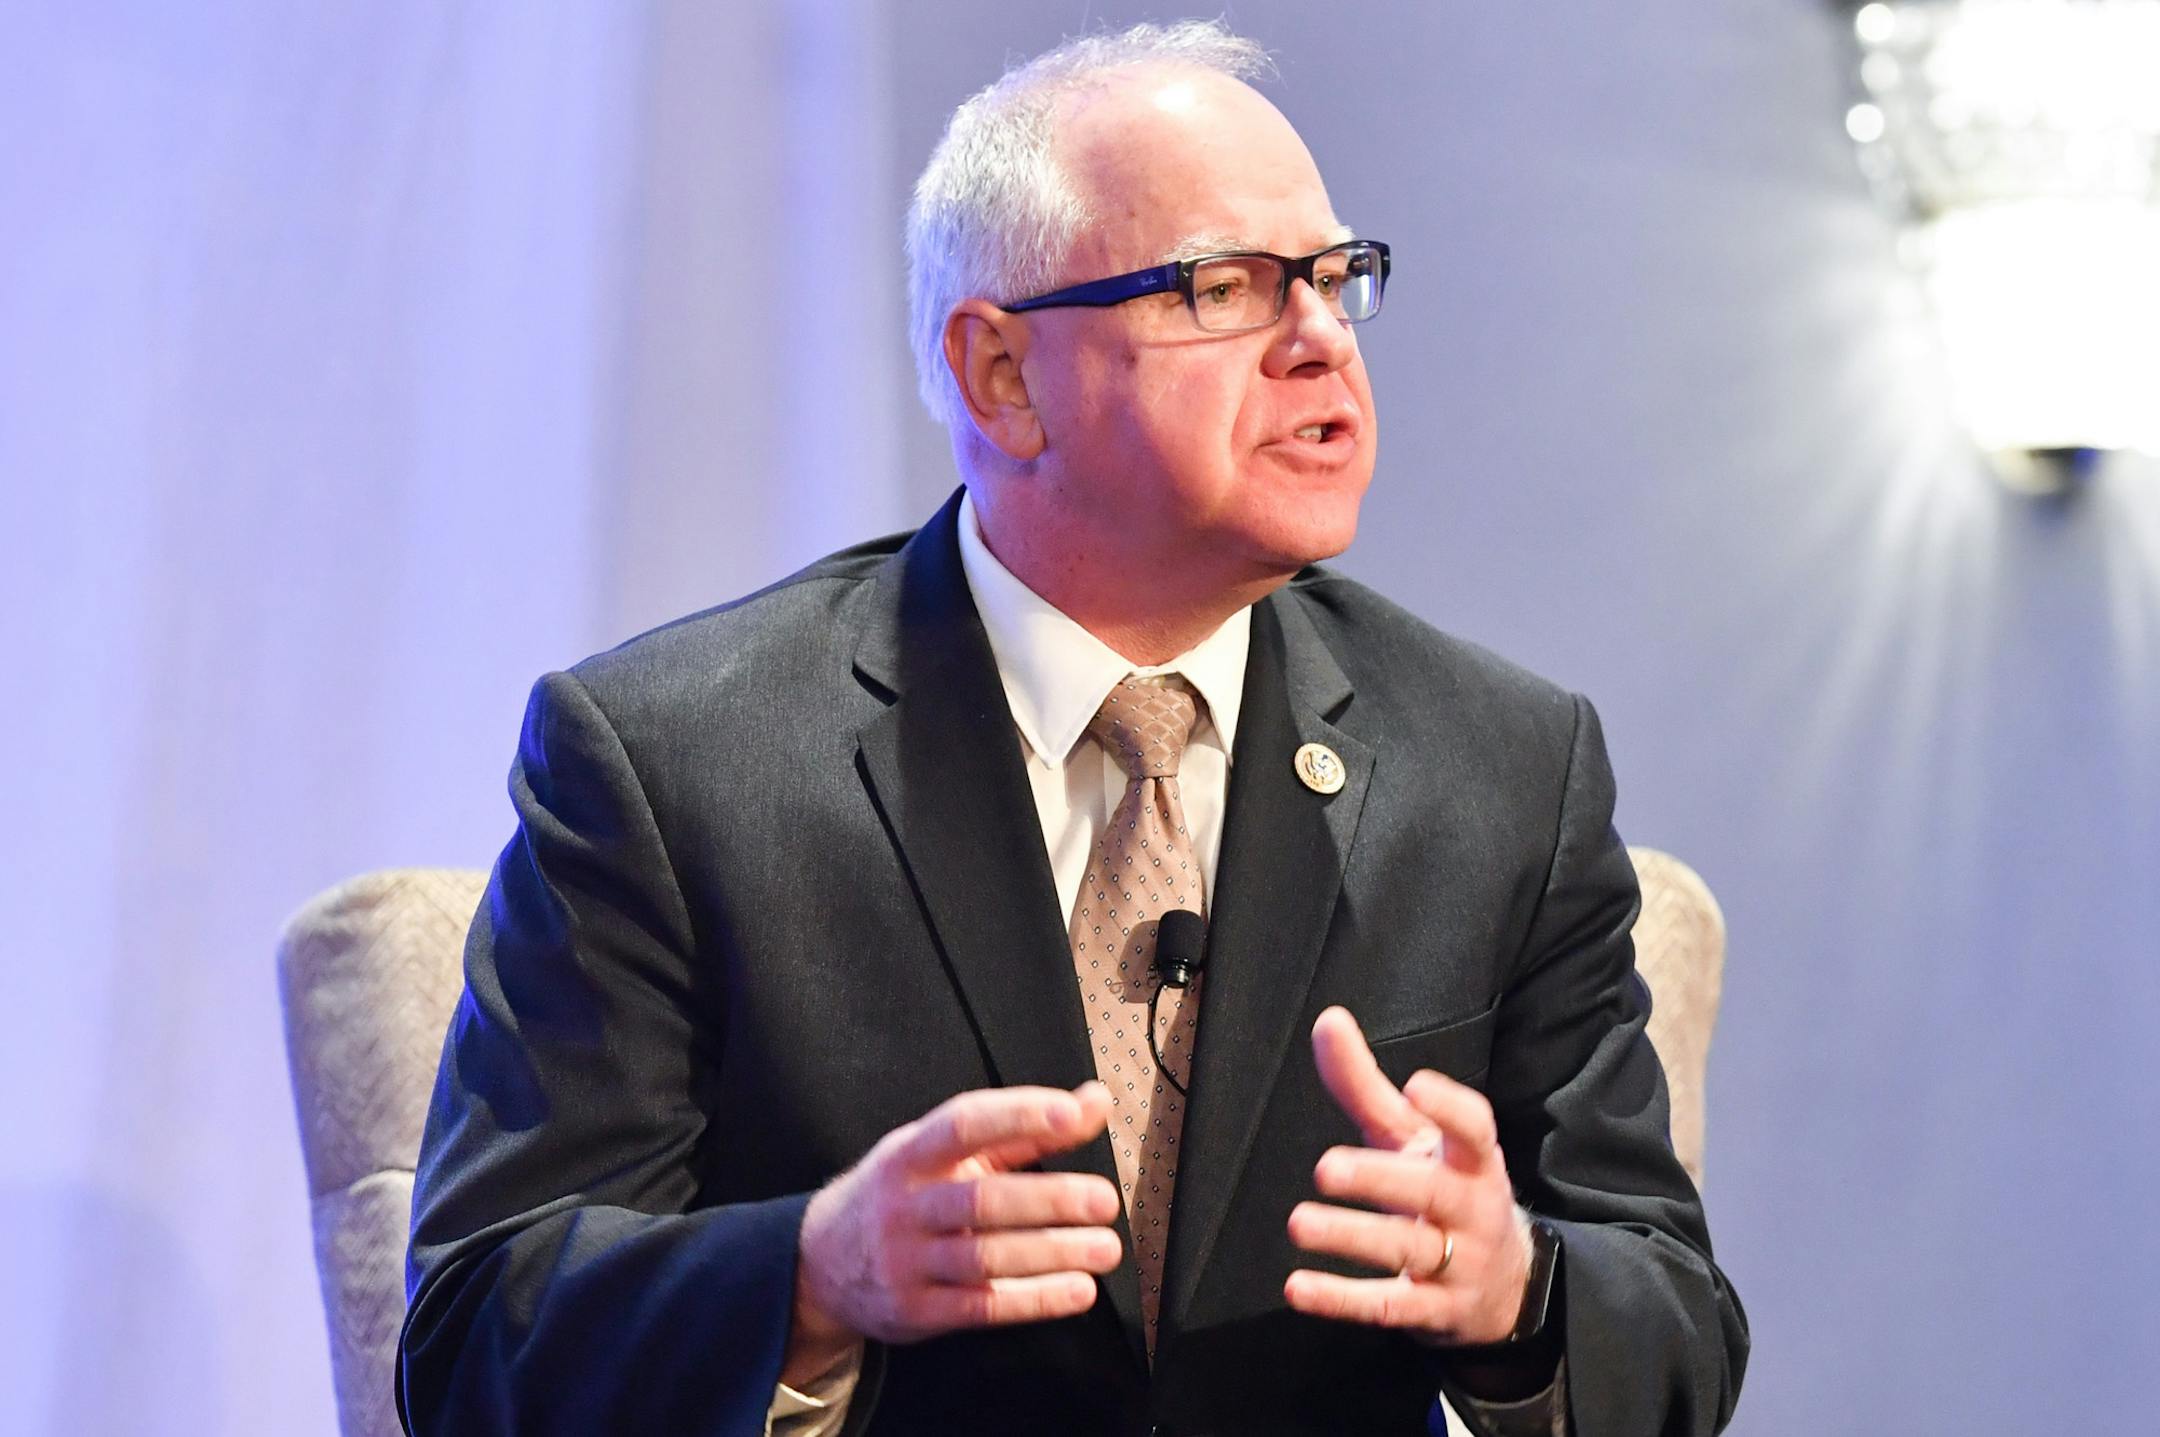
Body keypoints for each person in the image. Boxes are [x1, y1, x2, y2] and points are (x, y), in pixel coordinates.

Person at [398, 21, 1747, 1437]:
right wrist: (810, 1273)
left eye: (1339, 278)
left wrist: (1516, 1290)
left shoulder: (1502, 772)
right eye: (1225, 286)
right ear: (1001, 376)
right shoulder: (670, 764)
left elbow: (1676, 1338)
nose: (1319, 341)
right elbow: (474, 1341)